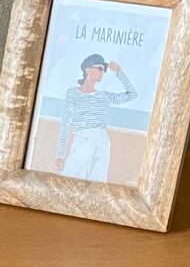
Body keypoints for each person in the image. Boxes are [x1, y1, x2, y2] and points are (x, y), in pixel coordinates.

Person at [53, 54, 136, 182]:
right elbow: (64, 124)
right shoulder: (73, 93)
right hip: (81, 139)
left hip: (101, 140)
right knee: (68, 179)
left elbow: (132, 94)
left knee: (96, 183)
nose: (102, 72)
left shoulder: (104, 96)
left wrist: (119, 72)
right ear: (87, 70)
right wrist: (60, 155)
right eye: (99, 68)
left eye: (103, 69)